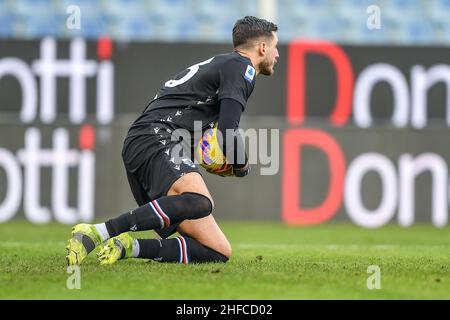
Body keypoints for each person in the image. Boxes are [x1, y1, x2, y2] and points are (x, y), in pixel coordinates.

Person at [65, 16, 279, 266]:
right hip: (155, 135)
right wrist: (241, 166)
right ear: (262, 47)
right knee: (201, 202)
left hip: (148, 141)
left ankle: (128, 247)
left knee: (217, 250)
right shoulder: (242, 68)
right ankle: (99, 231)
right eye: (276, 47)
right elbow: (227, 130)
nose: (277, 55)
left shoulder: (224, 64)